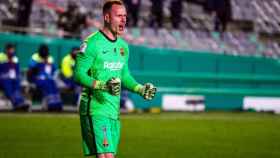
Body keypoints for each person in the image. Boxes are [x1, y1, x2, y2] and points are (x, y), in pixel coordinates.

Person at [74, 1, 156, 158]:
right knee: (106, 156)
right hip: (95, 108)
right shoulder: (91, 43)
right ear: (106, 17)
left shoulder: (123, 47)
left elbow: (124, 75)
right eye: (119, 15)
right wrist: (103, 86)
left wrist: (140, 89)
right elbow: (78, 74)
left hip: (113, 110)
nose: (124, 19)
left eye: (125, 16)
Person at [27, 44, 62, 111]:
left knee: (54, 85)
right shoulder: (35, 57)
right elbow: (30, 71)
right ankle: (51, 104)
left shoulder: (50, 58)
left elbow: (54, 70)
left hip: (49, 79)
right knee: (47, 85)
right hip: (37, 79)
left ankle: (57, 103)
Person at [0, 43, 30, 111]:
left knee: (17, 89)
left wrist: (17, 77)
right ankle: (16, 104)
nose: (11, 51)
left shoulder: (15, 58)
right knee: (9, 88)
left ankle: (21, 102)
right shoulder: (1, 56)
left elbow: (17, 70)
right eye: (10, 49)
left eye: (12, 49)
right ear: (6, 50)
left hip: (13, 78)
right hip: (3, 79)